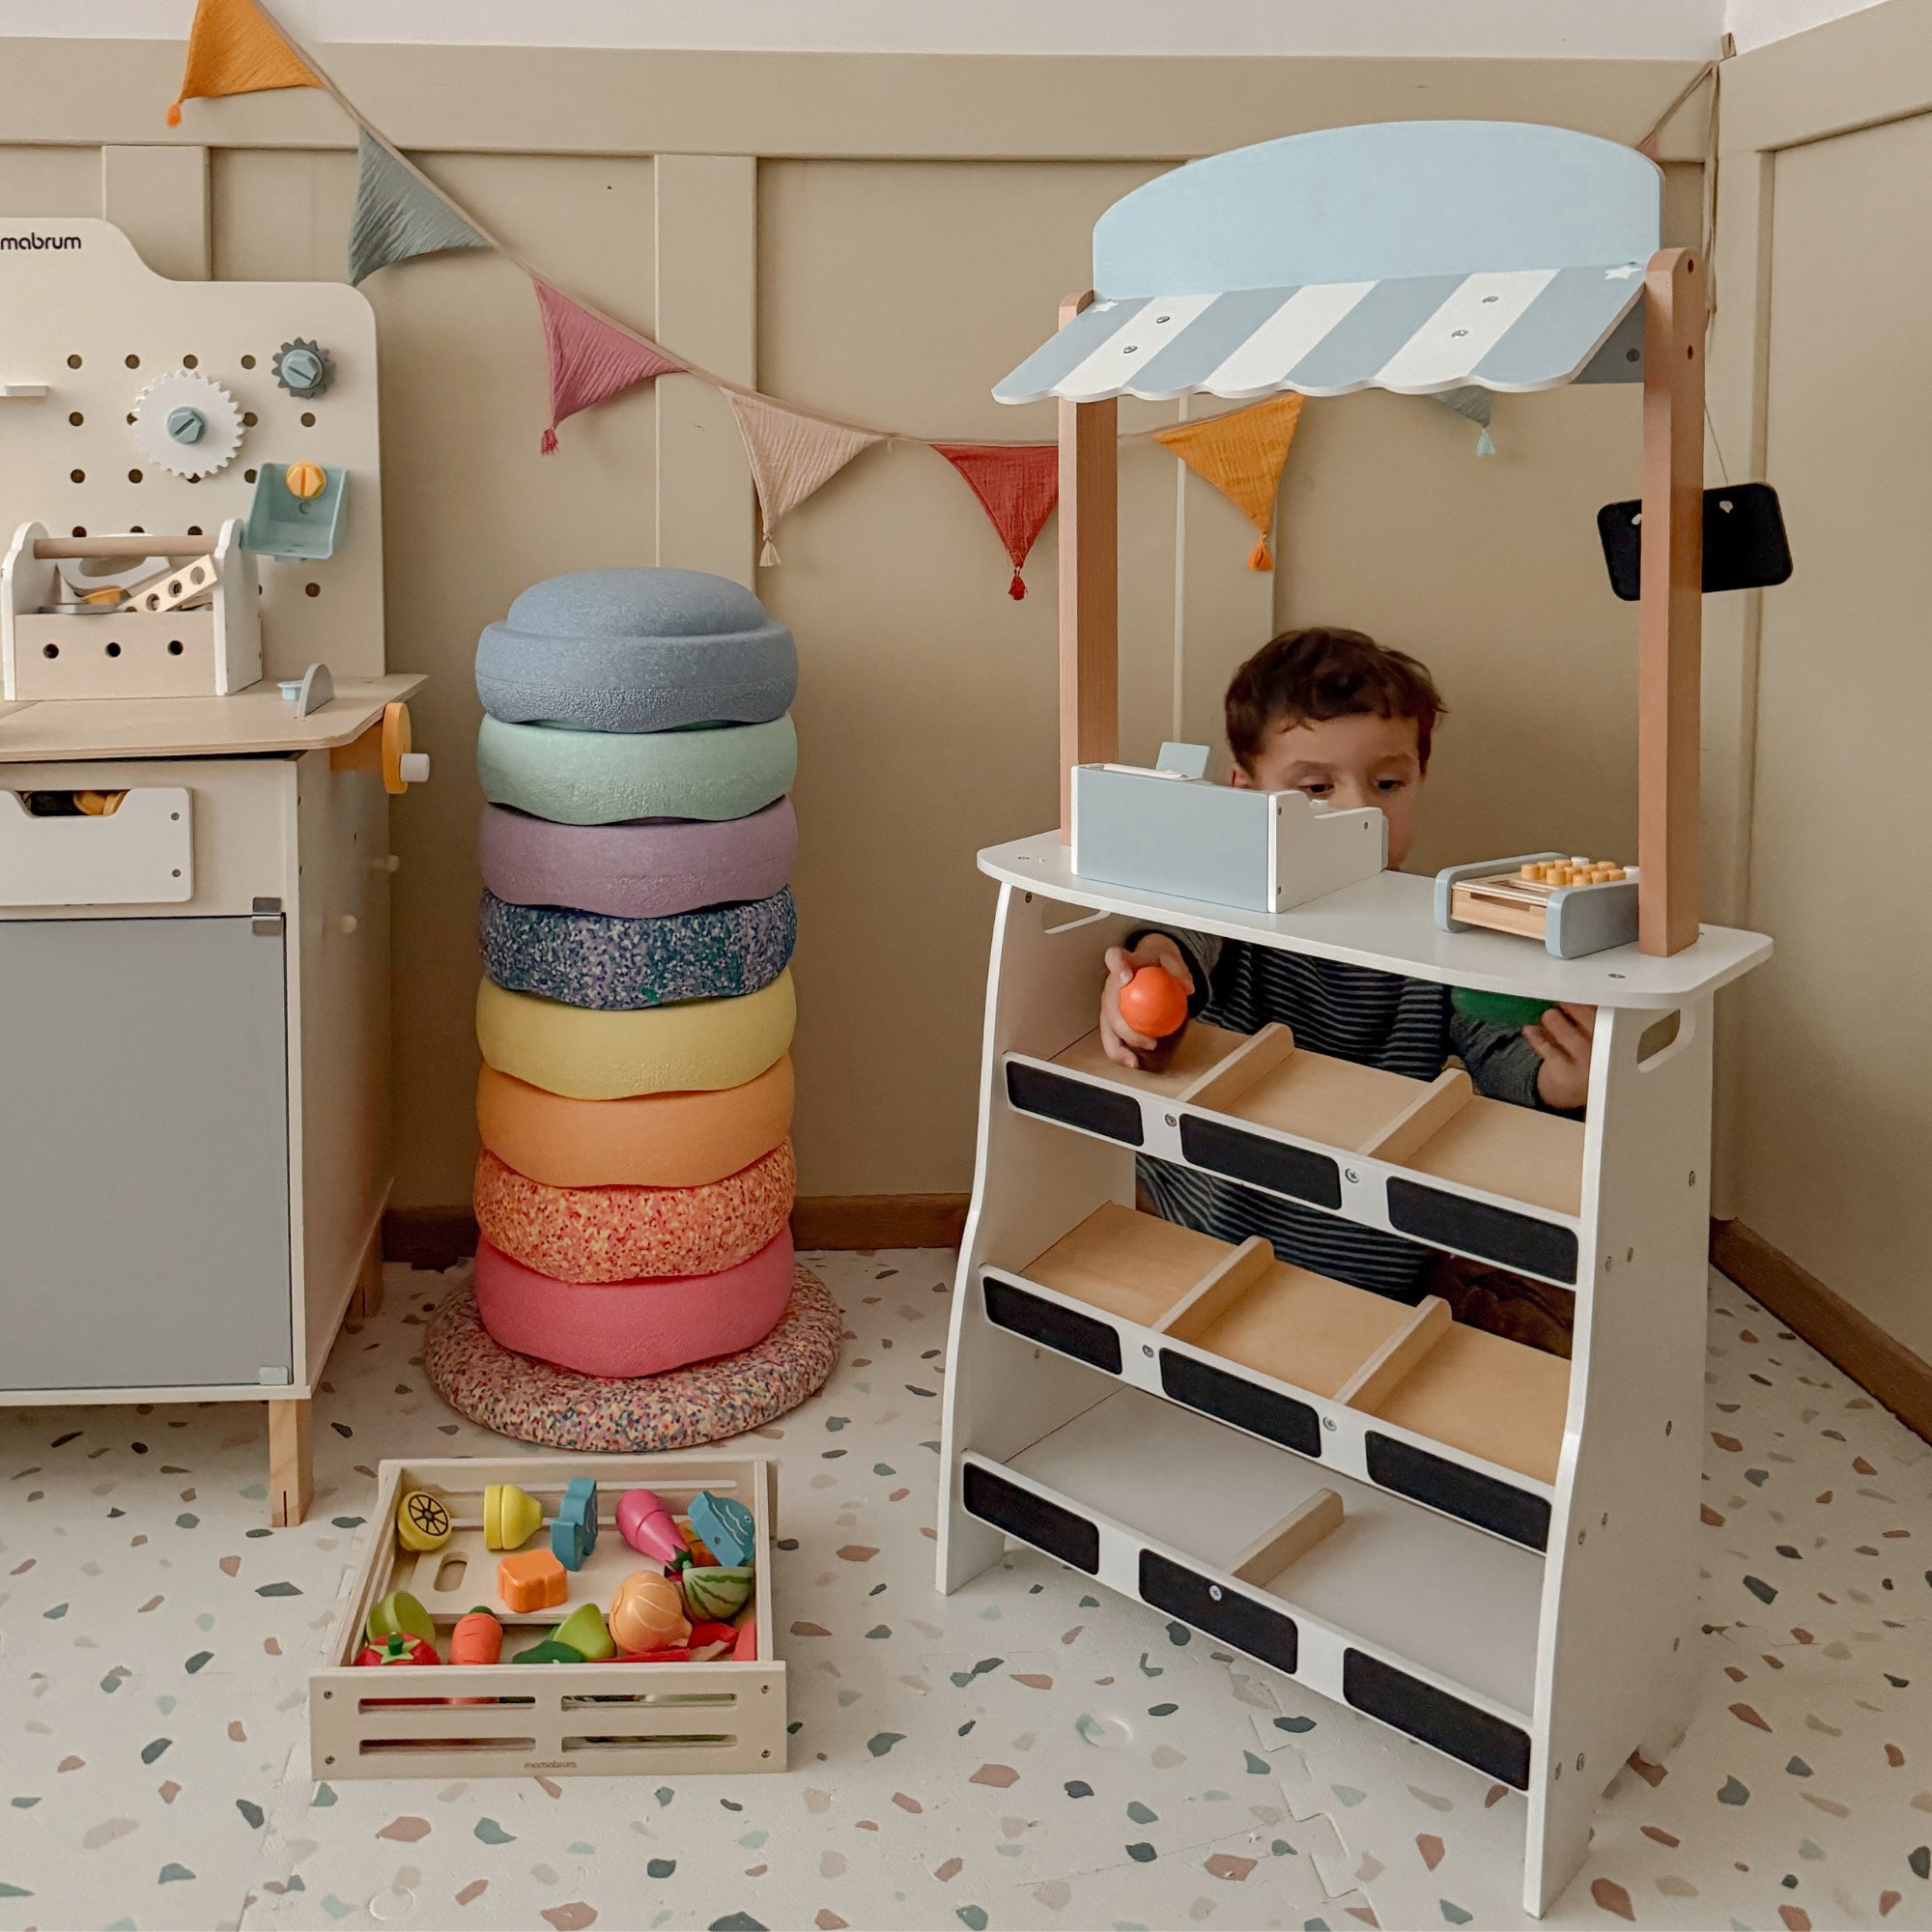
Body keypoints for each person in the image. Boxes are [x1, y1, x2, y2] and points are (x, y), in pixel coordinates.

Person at [1098, 626, 1591, 1355]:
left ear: (1420, 779)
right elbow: (1181, 940)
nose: (1360, 811)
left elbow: (1498, 1046)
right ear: (1245, 796)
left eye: (1387, 785)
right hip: (1206, 1245)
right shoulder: (1233, 901)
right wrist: (1153, 964)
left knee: (1546, 1329)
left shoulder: (1437, 927)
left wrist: (1559, 1079)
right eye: (1316, 789)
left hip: (1372, 1268)